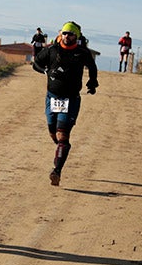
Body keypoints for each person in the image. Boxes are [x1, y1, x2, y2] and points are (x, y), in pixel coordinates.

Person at [32, 21, 98, 187]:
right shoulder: (51, 50)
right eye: (65, 33)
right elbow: (36, 64)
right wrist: (45, 71)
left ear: (77, 36)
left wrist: (92, 82)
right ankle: (61, 151)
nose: (67, 36)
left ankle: (57, 171)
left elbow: (92, 66)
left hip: (71, 99)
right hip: (52, 97)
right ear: (61, 34)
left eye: (70, 34)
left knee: (63, 135)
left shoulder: (82, 52)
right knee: (52, 132)